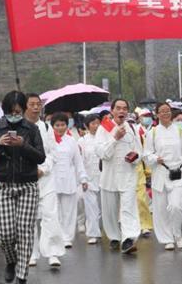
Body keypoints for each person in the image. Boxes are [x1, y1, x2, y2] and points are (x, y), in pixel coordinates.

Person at [0, 91, 46, 284]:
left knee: (25, 231)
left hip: (27, 184)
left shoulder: (32, 129)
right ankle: (11, 260)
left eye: (18, 111)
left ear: (24, 110)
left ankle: (22, 276)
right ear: (5, 110)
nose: (15, 114)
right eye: (11, 111)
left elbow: (40, 157)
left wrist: (23, 145)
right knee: (5, 233)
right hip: (2, 184)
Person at [143, 102, 182, 250]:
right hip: (160, 173)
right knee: (160, 209)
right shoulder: (152, 132)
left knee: (176, 207)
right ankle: (167, 238)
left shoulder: (180, 132)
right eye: (162, 111)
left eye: (168, 111)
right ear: (157, 114)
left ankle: (177, 234)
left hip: (178, 174)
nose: (165, 114)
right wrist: (155, 158)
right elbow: (146, 153)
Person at [96, 99, 143, 254]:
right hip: (109, 176)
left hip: (127, 174)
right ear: (112, 110)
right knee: (109, 210)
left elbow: (139, 151)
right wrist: (114, 138)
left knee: (128, 208)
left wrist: (135, 157)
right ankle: (114, 237)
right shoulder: (103, 129)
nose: (121, 111)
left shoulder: (132, 128)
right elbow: (102, 153)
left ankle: (129, 238)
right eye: (118, 108)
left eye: (124, 108)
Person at [24, 93, 64, 269]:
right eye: (31, 104)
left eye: (38, 104)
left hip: (46, 179)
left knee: (50, 215)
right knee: (29, 218)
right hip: (26, 180)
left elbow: (52, 153)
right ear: (25, 106)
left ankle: (53, 253)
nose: (35, 107)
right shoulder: (21, 127)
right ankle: (31, 253)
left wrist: (43, 169)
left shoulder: (47, 128)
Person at [50, 113, 88, 248]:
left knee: (69, 210)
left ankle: (67, 237)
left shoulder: (72, 141)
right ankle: (57, 236)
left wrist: (83, 178)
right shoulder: (48, 141)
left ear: (67, 125)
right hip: (52, 180)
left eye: (63, 125)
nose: (60, 128)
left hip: (69, 179)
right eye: (57, 125)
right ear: (52, 126)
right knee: (55, 211)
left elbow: (78, 161)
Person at [78, 114, 103, 244]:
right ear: (86, 126)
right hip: (89, 177)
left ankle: (108, 231)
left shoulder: (105, 138)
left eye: (98, 123)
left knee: (104, 207)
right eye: (93, 123)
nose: (96, 126)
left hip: (104, 177)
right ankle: (93, 233)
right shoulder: (82, 141)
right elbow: (79, 161)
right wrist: (82, 179)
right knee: (91, 207)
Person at [136, 108, 154, 236]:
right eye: (144, 116)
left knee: (143, 198)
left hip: (149, 168)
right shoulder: (136, 131)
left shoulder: (154, 130)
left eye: (149, 116)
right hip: (137, 168)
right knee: (137, 198)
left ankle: (145, 225)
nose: (147, 118)